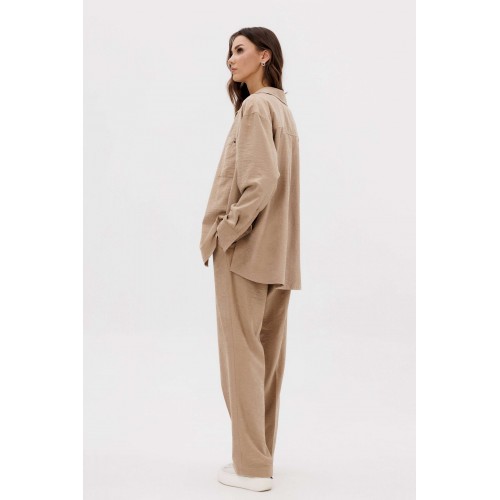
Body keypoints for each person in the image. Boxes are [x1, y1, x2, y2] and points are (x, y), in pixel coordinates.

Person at [199, 26, 301, 492]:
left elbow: (261, 180)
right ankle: (258, 459)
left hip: (245, 252)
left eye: (239, 50)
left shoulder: (257, 107)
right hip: (278, 256)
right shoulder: (282, 109)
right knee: (266, 362)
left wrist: (226, 232)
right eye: (229, 51)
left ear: (265, 55)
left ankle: (251, 468)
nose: (230, 59)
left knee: (241, 361)